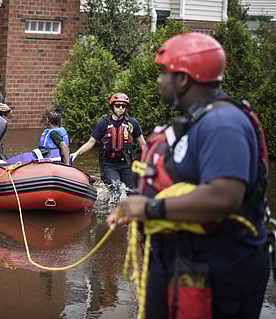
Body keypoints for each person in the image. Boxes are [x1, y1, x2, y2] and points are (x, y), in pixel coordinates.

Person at [108, 32, 269, 319]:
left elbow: (224, 196)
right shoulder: (191, 122)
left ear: (183, 79)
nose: (159, 81)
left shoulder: (223, 124)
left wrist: (149, 208)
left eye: (164, 73)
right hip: (180, 263)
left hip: (220, 270)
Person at [70, 93, 146, 188]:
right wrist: (76, 153)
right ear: (112, 107)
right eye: (117, 105)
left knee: (131, 192)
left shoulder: (133, 123)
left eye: (123, 106)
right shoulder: (103, 124)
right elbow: (90, 143)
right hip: (109, 164)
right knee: (117, 189)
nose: (120, 108)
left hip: (126, 164)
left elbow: (143, 144)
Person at [5, 108, 70, 165]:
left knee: (23, 158)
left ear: (47, 121)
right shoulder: (57, 131)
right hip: (45, 154)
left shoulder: (53, 133)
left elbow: (64, 147)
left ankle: (4, 164)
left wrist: (67, 164)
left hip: (50, 157)